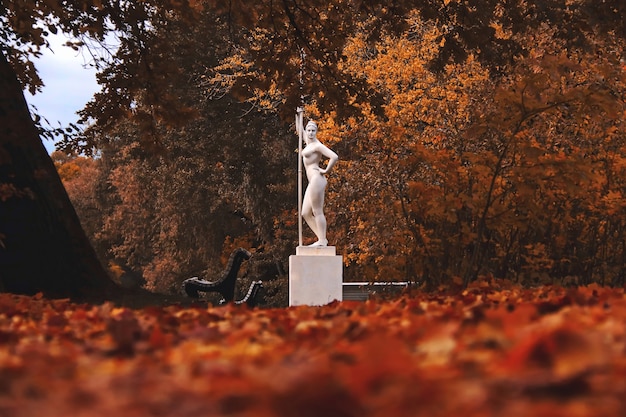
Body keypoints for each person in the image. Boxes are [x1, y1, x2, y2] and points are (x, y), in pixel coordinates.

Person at [300, 120, 338, 246]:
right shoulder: (308, 143)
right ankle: (322, 238)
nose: (310, 133)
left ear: (316, 132)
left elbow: (334, 156)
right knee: (305, 213)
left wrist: (326, 170)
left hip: (317, 179)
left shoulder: (317, 146)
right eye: (309, 130)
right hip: (312, 181)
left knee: (317, 211)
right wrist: (297, 111)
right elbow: (300, 130)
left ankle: (322, 240)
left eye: (313, 131)